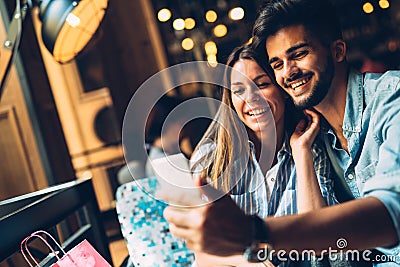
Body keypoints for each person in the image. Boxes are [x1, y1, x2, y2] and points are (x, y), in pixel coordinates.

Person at [163, 0, 400, 265]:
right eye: (277, 64)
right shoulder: (317, 136)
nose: (288, 72)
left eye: (299, 54)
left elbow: (391, 212)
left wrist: (253, 235)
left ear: (338, 51)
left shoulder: (391, 99)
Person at [190, 44, 348, 266]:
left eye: (262, 85)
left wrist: (301, 153)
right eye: (239, 91)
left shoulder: (312, 149)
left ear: (283, 90)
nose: (251, 98)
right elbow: (202, 252)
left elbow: (319, 244)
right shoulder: (211, 159)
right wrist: (250, 262)